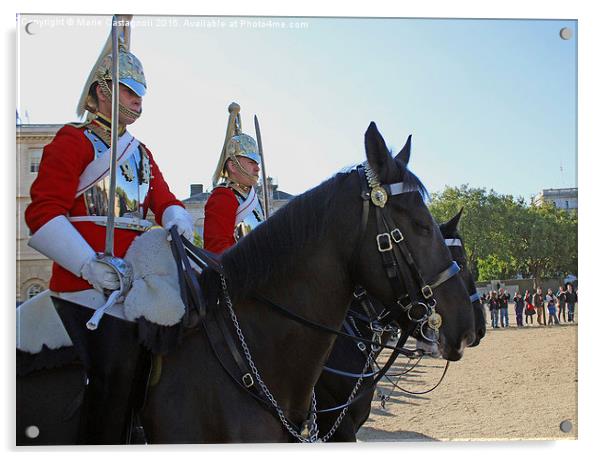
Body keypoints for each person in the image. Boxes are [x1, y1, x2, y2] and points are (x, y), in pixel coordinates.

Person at [24, 32, 193, 444]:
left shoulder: (142, 153)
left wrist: (177, 222)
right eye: (130, 91)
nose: (138, 101)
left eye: (142, 94)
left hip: (136, 286)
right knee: (111, 377)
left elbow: (166, 200)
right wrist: (89, 265)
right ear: (102, 91)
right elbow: (44, 213)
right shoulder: (72, 140)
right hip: (86, 290)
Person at [203, 102, 265, 254]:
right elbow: (217, 249)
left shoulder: (253, 199)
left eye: (257, 163)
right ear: (232, 166)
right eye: (251, 162)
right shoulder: (223, 196)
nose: (257, 168)